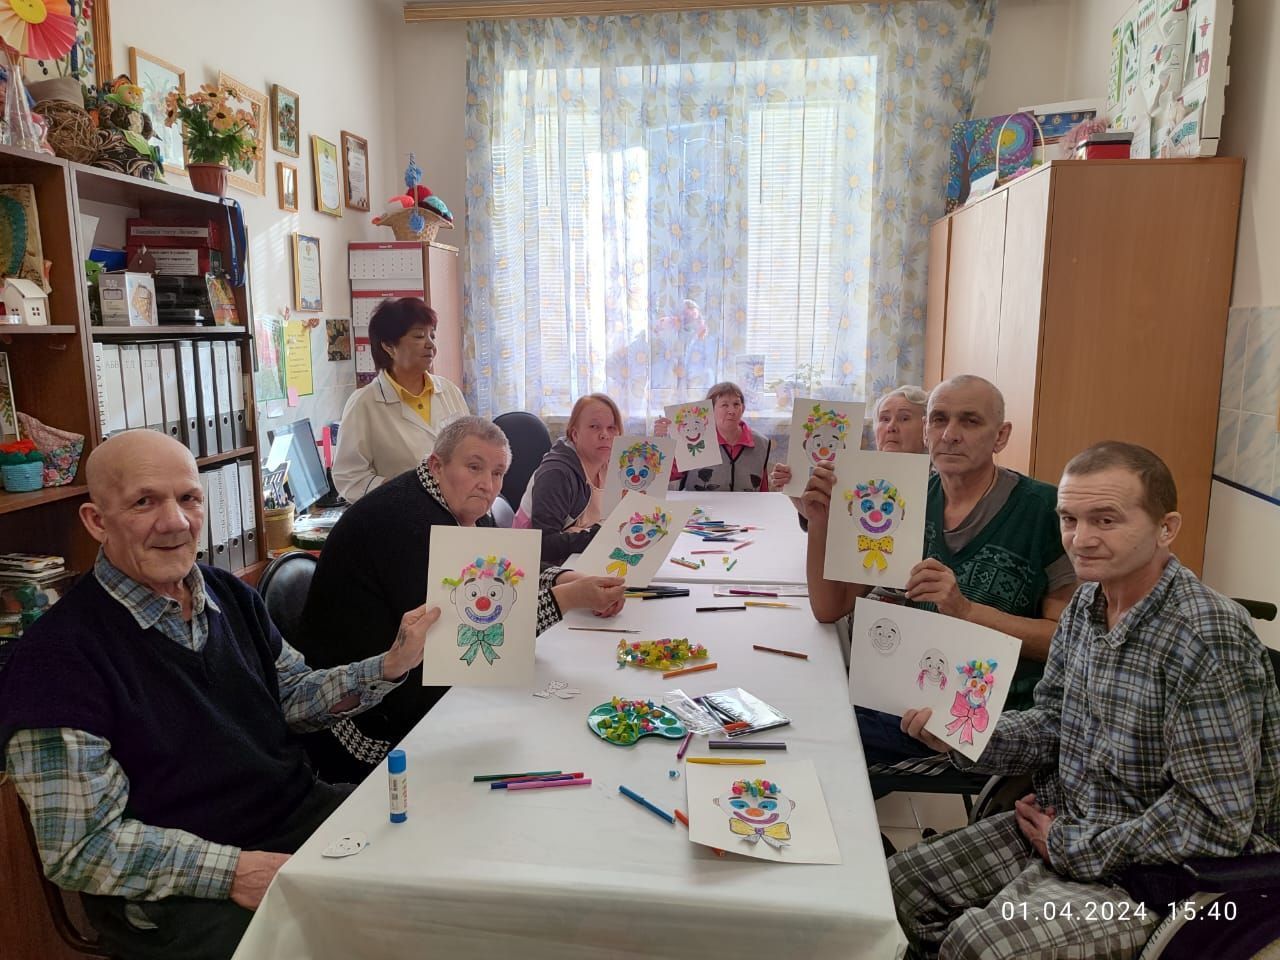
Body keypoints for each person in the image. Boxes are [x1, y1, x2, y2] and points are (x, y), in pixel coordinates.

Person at [0, 431, 437, 960]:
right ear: (96, 521)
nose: (175, 522)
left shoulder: (227, 594)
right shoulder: (57, 662)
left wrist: (390, 665)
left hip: (292, 818)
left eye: (188, 498)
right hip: (181, 893)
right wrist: (236, 871)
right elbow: (83, 847)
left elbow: (293, 697)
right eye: (145, 502)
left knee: (438, 868)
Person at [890, 441, 1280, 960]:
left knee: (981, 946)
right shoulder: (1087, 605)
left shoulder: (1205, 639)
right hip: (1068, 819)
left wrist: (1072, 845)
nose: (1081, 539)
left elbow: (1212, 819)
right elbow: (1053, 721)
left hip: (1159, 874)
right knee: (900, 889)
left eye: (1106, 520)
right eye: (1069, 519)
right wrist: (965, 734)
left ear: (1166, 528)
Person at [296, 416, 626, 782]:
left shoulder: (460, 506)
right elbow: (465, 631)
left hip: (416, 692)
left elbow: (505, 572)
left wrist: (567, 577)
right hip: (362, 722)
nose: (487, 485)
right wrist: (565, 600)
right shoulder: (406, 521)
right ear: (437, 464)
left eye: (498, 473)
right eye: (474, 467)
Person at [804, 375, 1076, 765]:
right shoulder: (904, 501)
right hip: (904, 697)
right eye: (939, 420)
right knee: (803, 712)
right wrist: (820, 522)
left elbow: (1065, 643)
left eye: (969, 421)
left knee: (822, 741)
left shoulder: (1043, 511)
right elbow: (831, 608)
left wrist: (967, 612)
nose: (950, 434)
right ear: (927, 433)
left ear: (1000, 436)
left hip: (988, 715)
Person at [332, 297, 468, 502]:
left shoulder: (449, 392)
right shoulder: (364, 403)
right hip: (400, 517)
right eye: (419, 336)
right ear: (388, 346)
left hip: (456, 513)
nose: (430, 344)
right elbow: (349, 477)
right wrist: (398, 490)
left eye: (432, 335)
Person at [514, 393, 622, 565]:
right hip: (536, 565)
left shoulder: (612, 464)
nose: (605, 435)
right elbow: (544, 545)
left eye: (611, 428)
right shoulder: (556, 474)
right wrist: (598, 534)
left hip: (582, 558)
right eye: (594, 426)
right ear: (575, 434)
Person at [769, 384, 928, 493]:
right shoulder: (856, 473)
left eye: (904, 418)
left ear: (927, 428)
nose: (891, 427)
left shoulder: (939, 482)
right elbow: (826, 524)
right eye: (884, 419)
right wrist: (792, 486)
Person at [663, 381, 772, 492]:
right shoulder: (693, 439)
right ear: (711, 409)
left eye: (736, 404)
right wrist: (662, 440)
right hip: (699, 507)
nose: (731, 411)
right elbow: (665, 475)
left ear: (743, 408)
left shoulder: (761, 443)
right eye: (724, 405)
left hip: (746, 507)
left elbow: (763, 490)